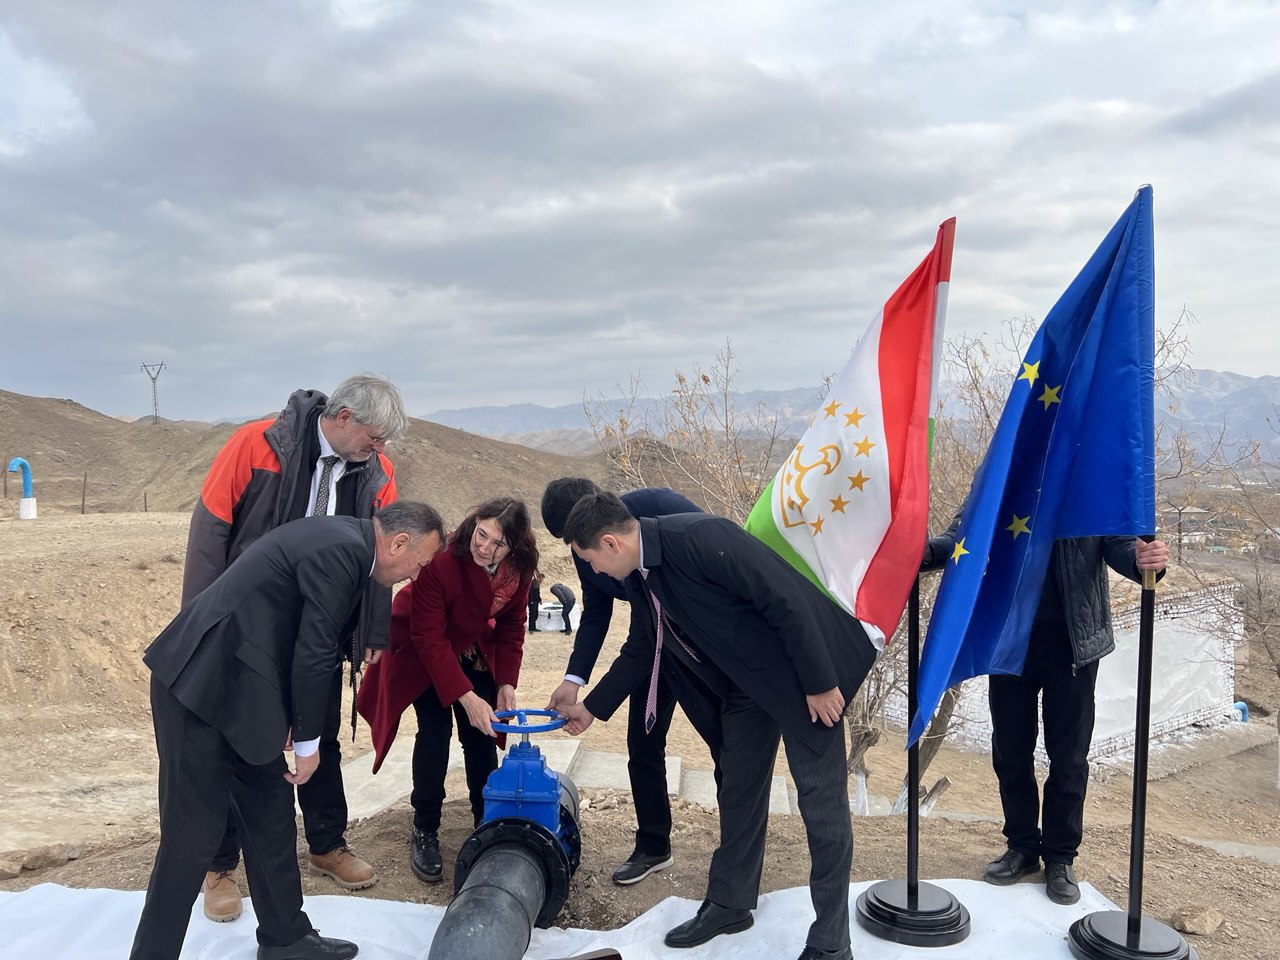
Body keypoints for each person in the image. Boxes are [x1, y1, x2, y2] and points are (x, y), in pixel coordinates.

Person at [558, 493, 875, 960]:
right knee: (738, 789)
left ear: (610, 543)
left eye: (592, 563)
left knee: (822, 810)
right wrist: (593, 707)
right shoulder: (643, 577)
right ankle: (730, 902)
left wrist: (821, 681)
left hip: (804, 680)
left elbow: (784, 598)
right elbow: (648, 645)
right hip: (748, 688)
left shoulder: (702, 537)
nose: (597, 574)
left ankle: (831, 942)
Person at [131, 502, 446, 960]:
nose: (415, 576)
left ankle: (287, 939)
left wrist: (278, 717)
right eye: (419, 564)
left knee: (270, 811)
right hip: (199, 687)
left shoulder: (349, 544)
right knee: (193, 832)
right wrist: (307, 741)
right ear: (398, 542)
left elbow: (284, 633)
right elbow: (314, 651)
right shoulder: (342, 552)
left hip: (241, 689)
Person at [182, 373, 406, 919]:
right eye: (373, 438)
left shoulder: (377, 471)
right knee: (238, 736)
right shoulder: (255, 445)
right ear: (344, 417)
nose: (377, 452)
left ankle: (327, 844)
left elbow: (384, 557)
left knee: (319, 730)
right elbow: (210, 529)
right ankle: (219, 865)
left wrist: (371, 630)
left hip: (322, 621)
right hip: (247, 619)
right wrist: (202, 620)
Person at [922, 517, 1169, 905]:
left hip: (1073, 642)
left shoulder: (1086, 473)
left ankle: (1059, 857)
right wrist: (926, 551)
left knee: (1068, 757)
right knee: (1011, 752)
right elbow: (967, 528)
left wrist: (1142, 559)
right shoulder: (1010, 464)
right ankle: (1021, 847)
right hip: (1009, 638)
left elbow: (1116, 540)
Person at [541, 477, 723, 887]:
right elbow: (597, 608)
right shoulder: (584, 541)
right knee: (642, 744)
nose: (585, 561)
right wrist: (575, 679)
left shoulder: (659, 513)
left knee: (725, 747)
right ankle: (653, 845)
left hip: (701, 650)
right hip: (653, 648)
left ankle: (737, 852)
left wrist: (592, 707)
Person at [357, 496, 539, 883]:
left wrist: (505, 681)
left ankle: (484, 821)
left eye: (496, 543)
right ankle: (425, 828)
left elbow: (511, 625)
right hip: (425, 650)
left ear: (514, 547)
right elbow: (428, 637)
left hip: (472, 648)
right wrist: (466, 696)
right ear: (475, 521)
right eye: (482, 533)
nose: (483, 546)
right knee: (435, 733)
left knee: (481, 734)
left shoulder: (519, 571)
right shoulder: (442, 560)